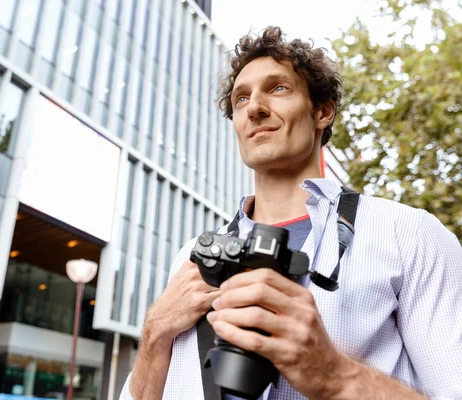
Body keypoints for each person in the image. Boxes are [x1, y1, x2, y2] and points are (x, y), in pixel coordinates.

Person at [119, 26, 462, 399]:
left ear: (323, 112)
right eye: (241, 99)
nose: (255, 107)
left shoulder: (408, 233)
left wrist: (336, 376)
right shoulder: (190, 258)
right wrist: (154, 331)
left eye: (278, 88)